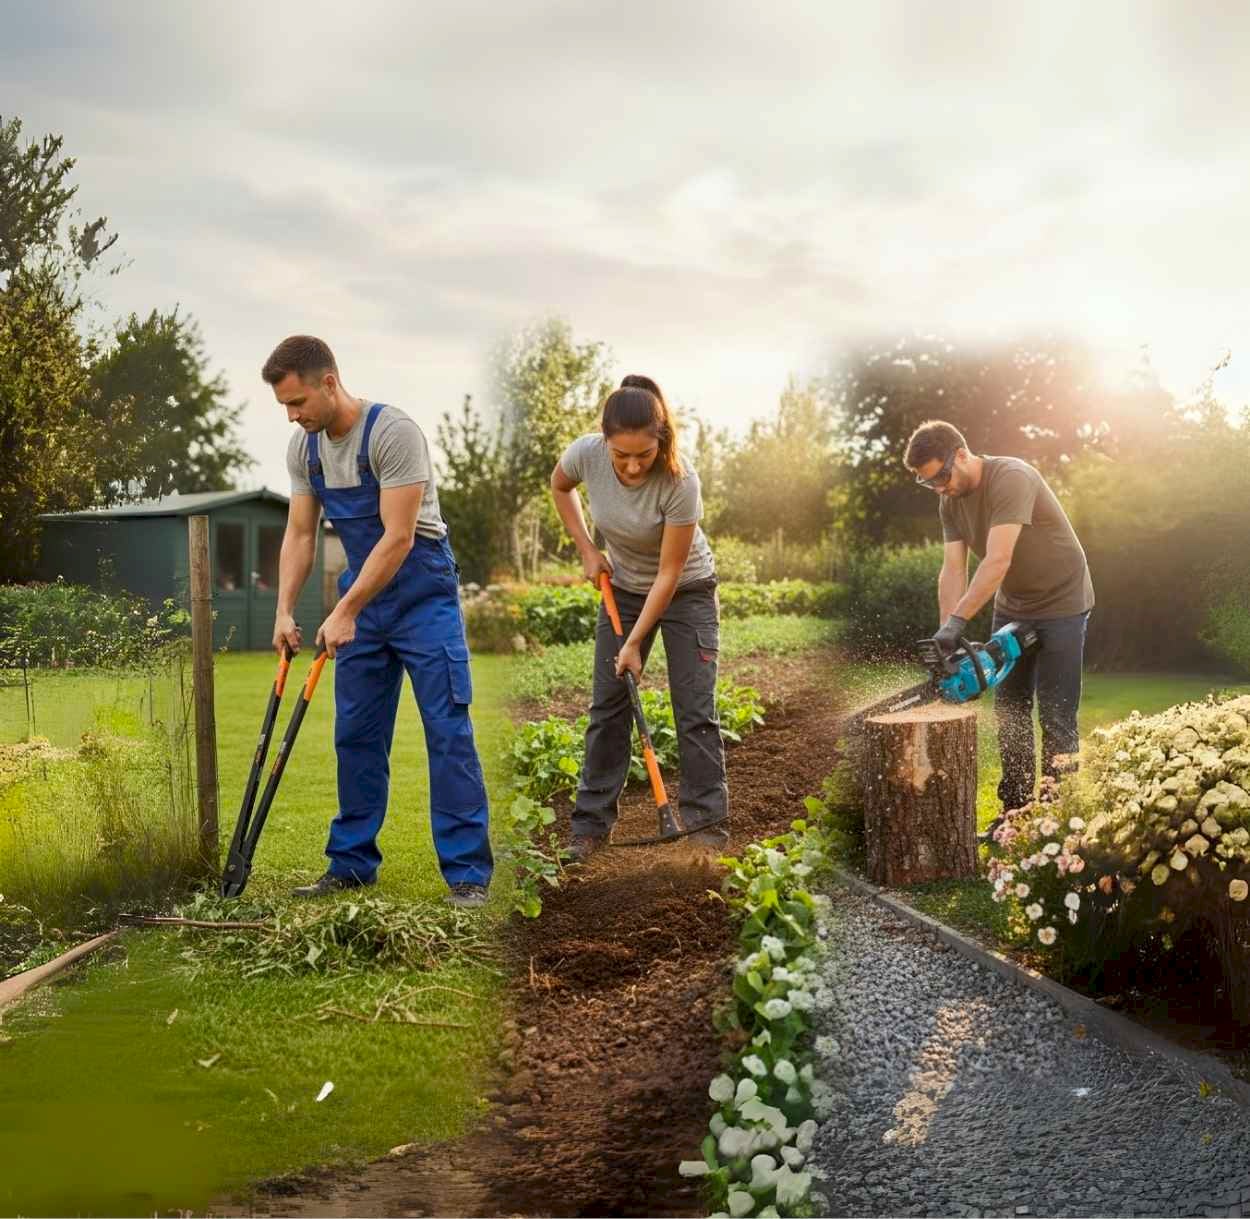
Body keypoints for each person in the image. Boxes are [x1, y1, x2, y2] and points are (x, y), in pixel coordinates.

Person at [263, 335, 492, 906]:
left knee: (448, 731)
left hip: (422, 597)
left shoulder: (392, 433)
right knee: (356, 735)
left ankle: (467, 875)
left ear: (329, 383)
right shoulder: (306, 450)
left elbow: (398, 537)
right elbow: (299, 533)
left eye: (298, 403)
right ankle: (350, 864)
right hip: (364, 602)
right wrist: (285, 609)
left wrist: (345, 611)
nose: (293, 416)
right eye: (285, 408)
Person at [550, 374, 728, 860]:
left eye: (642, 456)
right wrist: (587, 550)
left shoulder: (680, 481)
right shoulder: (586, 454)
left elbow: (669, 574)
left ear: (661, 440)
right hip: (624, 590)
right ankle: (589, 826)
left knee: (694, 710)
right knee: (608, 706)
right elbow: (559, 485)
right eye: (620, 454)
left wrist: (633, 643)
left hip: (686, 591)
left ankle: (706, 826)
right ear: (603, 440)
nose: (630, 466)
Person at [904, 420, 1095, 839]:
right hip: (1014, 605)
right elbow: (953, 570)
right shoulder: (949, 500)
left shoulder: (1012, 477)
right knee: (1011, 711)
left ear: (961, 454)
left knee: (1058, 714)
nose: (938, 488)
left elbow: (996, 560)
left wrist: (960, 622)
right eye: (927, 483)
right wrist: (945, 637)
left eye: (940, 477)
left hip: (1063, 602)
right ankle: (1015, 815)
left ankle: (1060, 822)